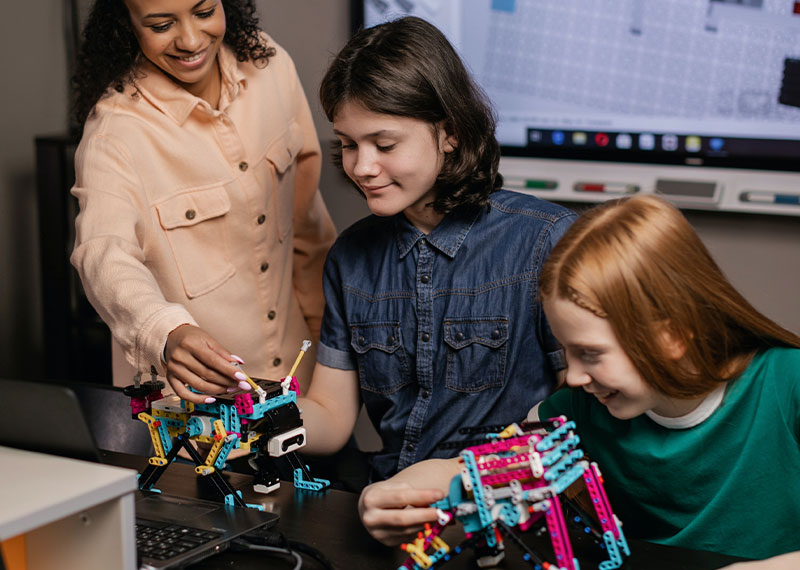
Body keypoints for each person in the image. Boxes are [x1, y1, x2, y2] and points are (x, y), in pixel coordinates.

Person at [358, 195, 800, 567]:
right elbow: (472, 472)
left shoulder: (787, 383)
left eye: (590, 353)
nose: (573, 374)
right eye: (567, 351)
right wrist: (392, 496)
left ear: (671, 336)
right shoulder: (577, 413)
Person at [296, 16, 576, 487]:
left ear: (450, 133)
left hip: (509, 506)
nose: (362, 167)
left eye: (384, 144)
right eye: (347, 145)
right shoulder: (351, 256)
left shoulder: (547, 241)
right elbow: (330, 413)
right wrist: (253, 419)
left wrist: (463, 477)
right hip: (389, 502)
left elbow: (580, 414)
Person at [70, 0, 337, 404]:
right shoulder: (114, 134)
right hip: (200, 424)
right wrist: (167, 331)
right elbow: (103, 256)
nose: (191, 40)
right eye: (161, 25)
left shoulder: (270, 66)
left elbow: (309, 231)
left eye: (204, 11)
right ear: (127, 25)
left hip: (307, 390)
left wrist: (338, 358)